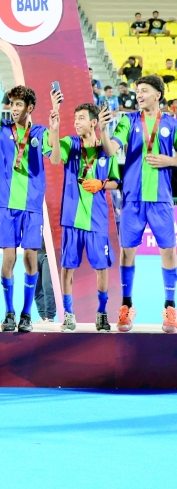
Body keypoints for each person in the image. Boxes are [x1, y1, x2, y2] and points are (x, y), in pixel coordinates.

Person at [0, 86, 61, 333]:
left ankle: (26, 313)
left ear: (30, 108)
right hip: (6, 206)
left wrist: (55, 129)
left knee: (29, 258)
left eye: (18, 104)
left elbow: (55, 159)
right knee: (8, 260)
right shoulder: (1, 128)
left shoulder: (40, 132)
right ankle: (9, 312)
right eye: (12, 104)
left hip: (31, 205)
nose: (14, 108)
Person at [102, 74, 177, 333]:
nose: (139, 95)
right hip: (132, 197)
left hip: (161, 198)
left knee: (169, 252)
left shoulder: (171, 123)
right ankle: (126, 306)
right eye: (137, 91)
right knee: (127, 252)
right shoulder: (129, 120)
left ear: (158, 94)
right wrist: (103, 130)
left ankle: (170, 307)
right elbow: (110, 149)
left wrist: (170, 160)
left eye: (144, 90)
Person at [57, 104, 119, 333]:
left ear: (94, 123)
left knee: (101, 268)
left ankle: (102, 313)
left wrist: (102, 184)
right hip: (72, 218)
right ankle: (68, 314)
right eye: (75, 118)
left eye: (81, 118)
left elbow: (115, 182)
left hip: (97, 219)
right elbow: (56, 157)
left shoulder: (106, 149)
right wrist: (54, 128)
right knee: (67, 268)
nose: (76, 122)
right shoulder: (70, 143)